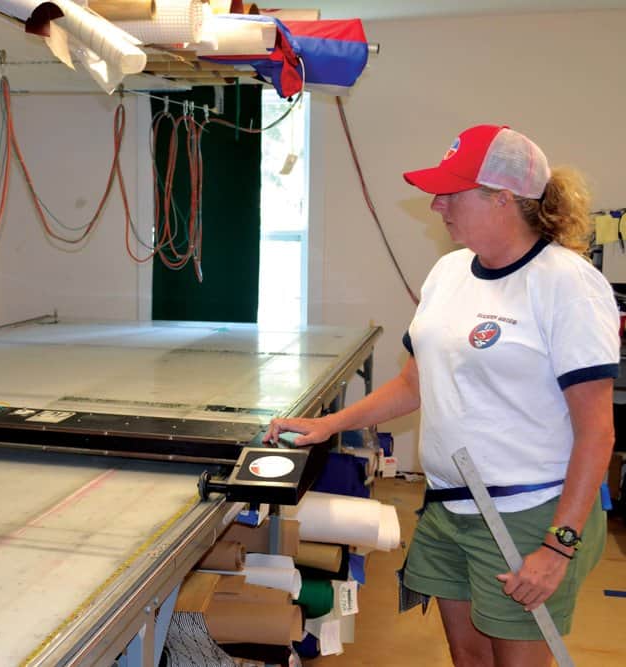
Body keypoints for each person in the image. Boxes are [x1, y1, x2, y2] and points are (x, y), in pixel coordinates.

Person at [264, 124, 618, 666]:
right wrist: (330, 426)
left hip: (527, 511)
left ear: (503, 199)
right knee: (467, 657)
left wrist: (556, 545)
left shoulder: (564, 283)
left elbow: (597, 428)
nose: (436, 204)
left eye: (451, 192)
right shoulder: (449, 272)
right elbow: (415, 382)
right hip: (450, 504)